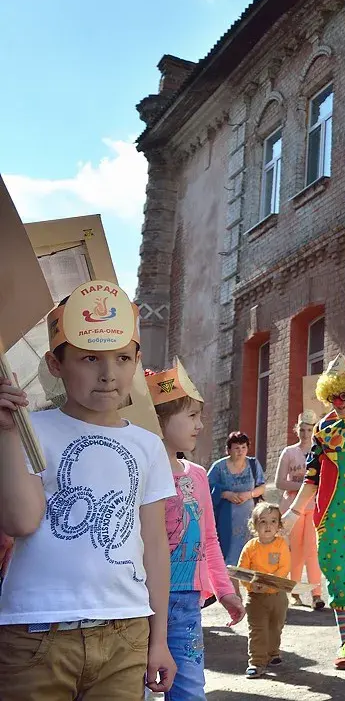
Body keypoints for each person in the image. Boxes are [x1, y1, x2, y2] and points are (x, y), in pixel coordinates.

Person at [0, 281, 177, 697]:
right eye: (89, 358)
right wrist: (7, 434)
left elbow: (154, 544)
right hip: (35, 633)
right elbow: (21, 521)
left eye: (121, 359)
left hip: (126, 633)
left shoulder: (148, 446)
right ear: (55, 364)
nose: (107, 374)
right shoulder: (27, 430)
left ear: (136, 361)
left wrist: (160, 639)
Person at [149, 359, 246, 700]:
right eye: (191, 416)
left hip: (187, 602)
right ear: (158, 421)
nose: (200, 425)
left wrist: (224, 590)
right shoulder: (139, 473)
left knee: (190, 690)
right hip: (140, 605)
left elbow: (209, 539)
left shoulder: (197, 475)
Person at [281, 355, 345, 669]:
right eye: (333, 397)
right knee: (341, 578)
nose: (339, 402)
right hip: (334, 512)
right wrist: (294, 513)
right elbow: (312, 475)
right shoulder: (324, 429)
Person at [275, 410, 325, 609]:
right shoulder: (289, 452)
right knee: (295, 550)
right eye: (302, 429)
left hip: (313, 506)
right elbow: (279, 482)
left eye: (309, 430)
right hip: (293, 506)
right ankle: (294, 591)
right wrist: (304, 486)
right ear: (297, 430)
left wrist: (310, 488)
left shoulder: (320, 451)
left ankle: (317, 594)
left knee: (312, 550)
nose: (305, 434)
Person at [238, 503, 291, 679]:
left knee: (276, 626)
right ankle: (257, 661)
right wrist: (251, 585)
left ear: (279, 525)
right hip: (255, 598)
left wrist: (268, 583)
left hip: (278, 595)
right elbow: (242, 571)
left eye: (273, 521)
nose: (268, 526)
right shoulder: (250, 547)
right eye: (263, 522)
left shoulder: (281, 545)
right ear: (254, 525)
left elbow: (284, 568)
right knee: (258, 630)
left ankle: (273, 652)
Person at [208, 430, 266, 567]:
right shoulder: (219, 467)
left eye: (243, 447)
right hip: (227, 520)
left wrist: (249, 494)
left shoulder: (253, 464)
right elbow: (206, 487)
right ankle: (232, 588)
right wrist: (225, 494)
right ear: (228, 450)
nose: (240, 451)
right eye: (236, 448)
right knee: (230, 556)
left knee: (252, 555)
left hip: (250, 518)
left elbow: (262, 487)